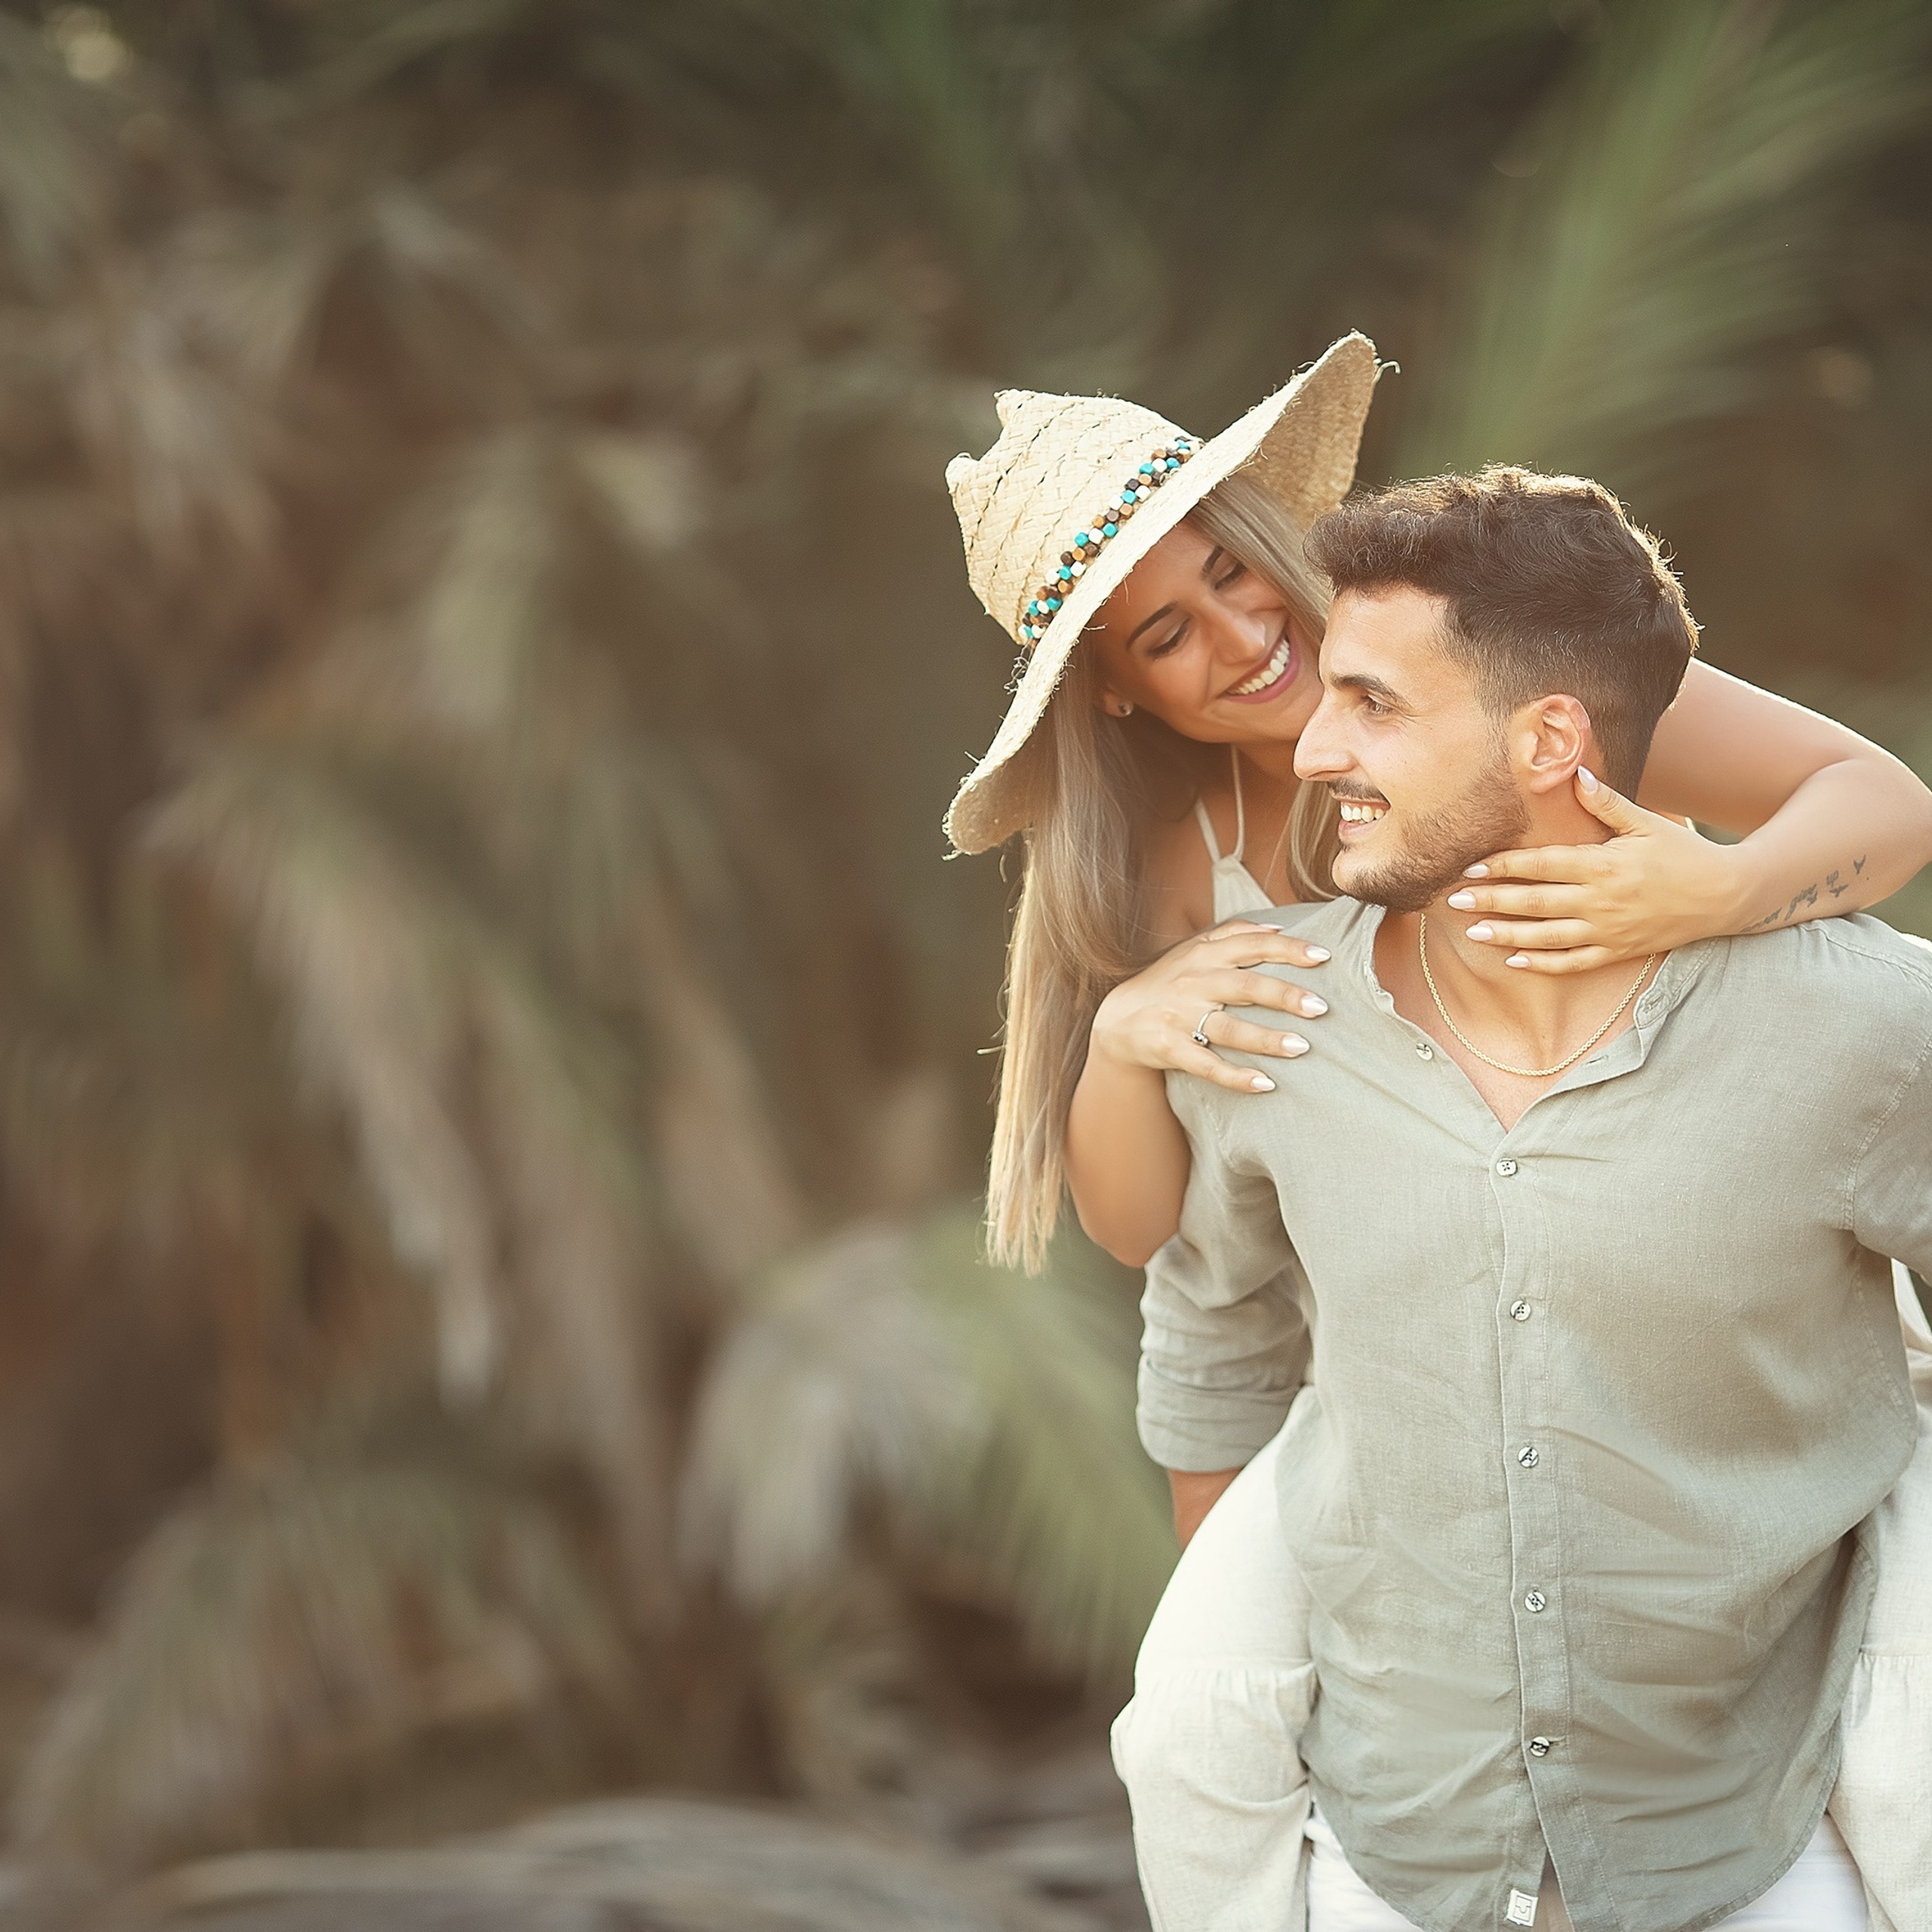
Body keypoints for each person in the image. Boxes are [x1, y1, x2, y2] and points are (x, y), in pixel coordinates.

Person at [1114, 466, 1932, 1931]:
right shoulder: (1252, 1010)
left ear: (1549, 737)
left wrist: (1726, 893)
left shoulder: (1855, 1028)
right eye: (1157, 638)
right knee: (1179, 1722)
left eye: (1367, 702)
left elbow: (1876, 797)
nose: (1304, 738)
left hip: (1755, 1843)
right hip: (1385, 1854)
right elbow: (1207, 1341)